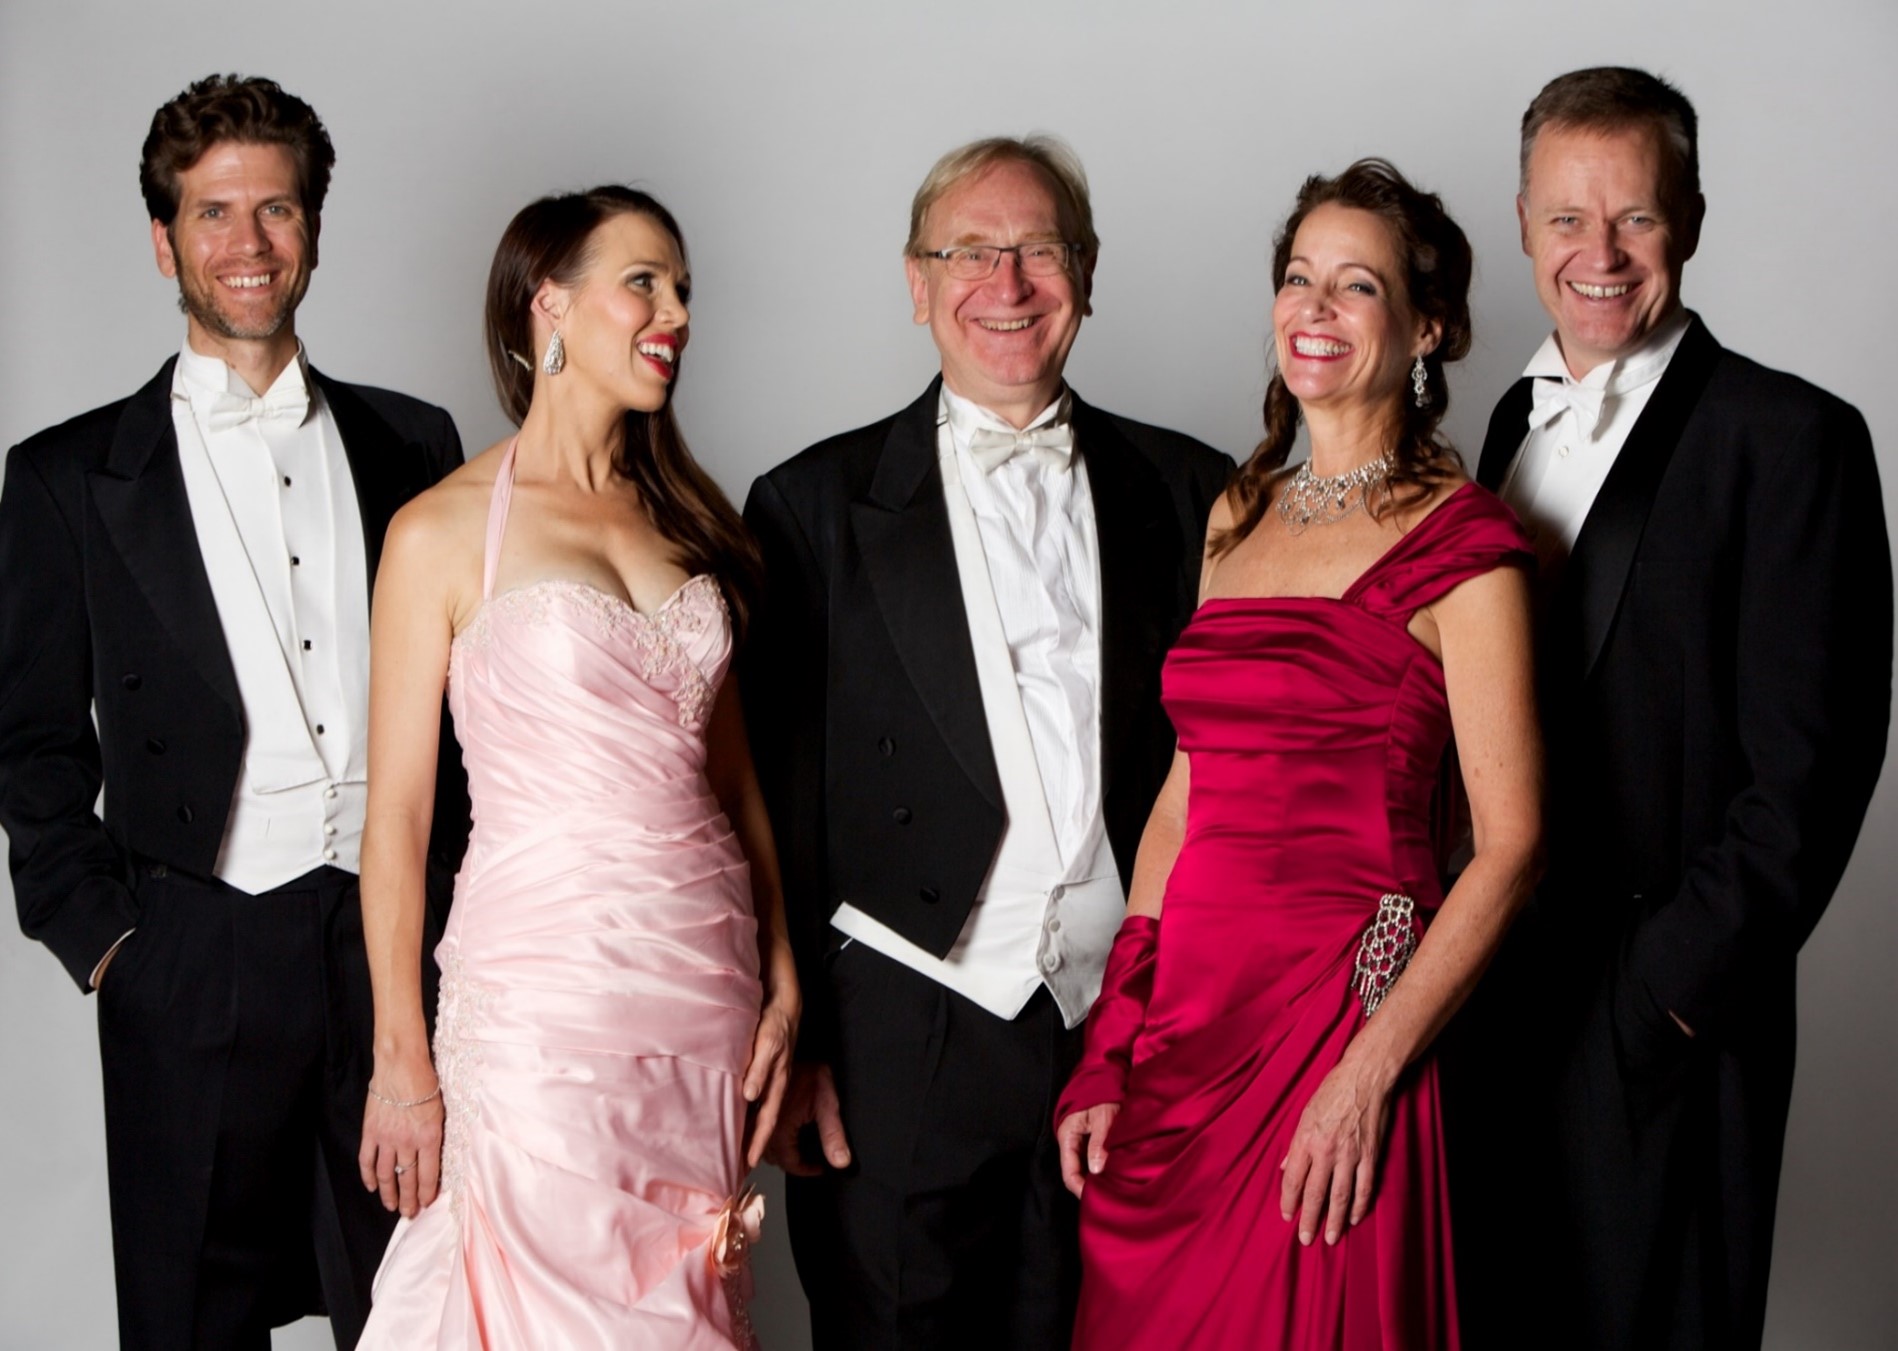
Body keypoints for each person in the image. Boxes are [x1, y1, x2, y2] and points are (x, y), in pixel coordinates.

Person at [0, 74, 469, 1351]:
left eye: (276, 211)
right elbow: (32, 746)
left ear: (314, 228)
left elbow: (467, 717)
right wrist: (116, 950)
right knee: (193, 1327)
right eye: (215, 214)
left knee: (420, 1304)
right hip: (192, 946)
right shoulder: (64, 478)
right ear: (164, 241)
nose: (247, 246)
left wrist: (459, 927)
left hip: (390, 947)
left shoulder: (412, 441)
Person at [739, 135, 1231, 1348]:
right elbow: (774, 805)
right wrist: (794, 1042)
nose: (1005, 283)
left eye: (1038, 249)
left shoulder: (1193, 489)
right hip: (900, 1032)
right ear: (915, 282)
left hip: (1124, 1027)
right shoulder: (807, 504)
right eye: (969, 250)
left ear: (1087, 272)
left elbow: (1221, 769)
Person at [1054, 159, 1544, 1350]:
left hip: (1337, 1020)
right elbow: (1185, 792)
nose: (1313, 310)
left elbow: (1513, 845)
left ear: (1426, 327)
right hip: (1186, 1032)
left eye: (1355, 285)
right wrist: (1112, 1039)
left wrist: (1369, 1068)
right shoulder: (1237, 513)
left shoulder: (1465, 544)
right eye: (1296, 278)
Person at [1447, 67, 1892, 1351]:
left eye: (1633, 217)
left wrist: (1660, 999)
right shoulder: (1504, 424)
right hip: (1491, 1006)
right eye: (1566, 219)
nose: (1597, 254)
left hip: (1663, 1025)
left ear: (1688, 220)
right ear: (1523, 223)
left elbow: (1810, 774)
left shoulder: (1790, 436)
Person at [350, 186, 798, 1349]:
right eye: (642, 281)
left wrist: (783, 965)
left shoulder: (688, 523)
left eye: (684, 288)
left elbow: (733, 784)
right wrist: (401, 1052)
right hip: (543, 1003)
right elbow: (396, 818)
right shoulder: (438, 531)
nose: (675, 312)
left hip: (704, 995)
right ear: (547, 304)